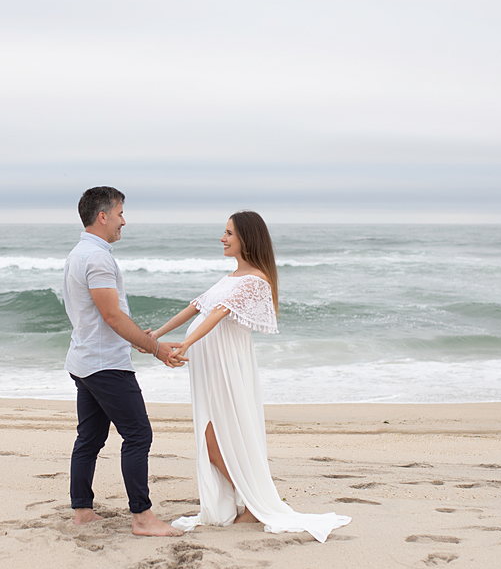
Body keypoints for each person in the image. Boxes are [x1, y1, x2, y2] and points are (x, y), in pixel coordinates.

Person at [148, 211, 351, 543]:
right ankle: (247, 503)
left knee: (217, 441)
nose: (222, 238)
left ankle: (254, 505)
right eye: (224, 232)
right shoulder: (231, 277)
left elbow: (218, 313)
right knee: (211, 440)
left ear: (246, 238)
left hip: (226, 369)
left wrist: (185, 343)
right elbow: (196, 307)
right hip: (210, 370)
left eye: (229, 233)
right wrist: (155, 335)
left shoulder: (255, 280)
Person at [63, 186, 184, 537]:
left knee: (90, 437)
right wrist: (155, 348)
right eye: (119, 214)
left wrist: (139, 336)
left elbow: (104, 317)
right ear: (103, 216)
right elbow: (112, 316)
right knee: (138, 434)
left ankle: (82, 511)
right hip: (105, 364)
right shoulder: (97, 257)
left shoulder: (79, 254)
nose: (123, 221)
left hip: (86, 359)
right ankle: (142, 517)